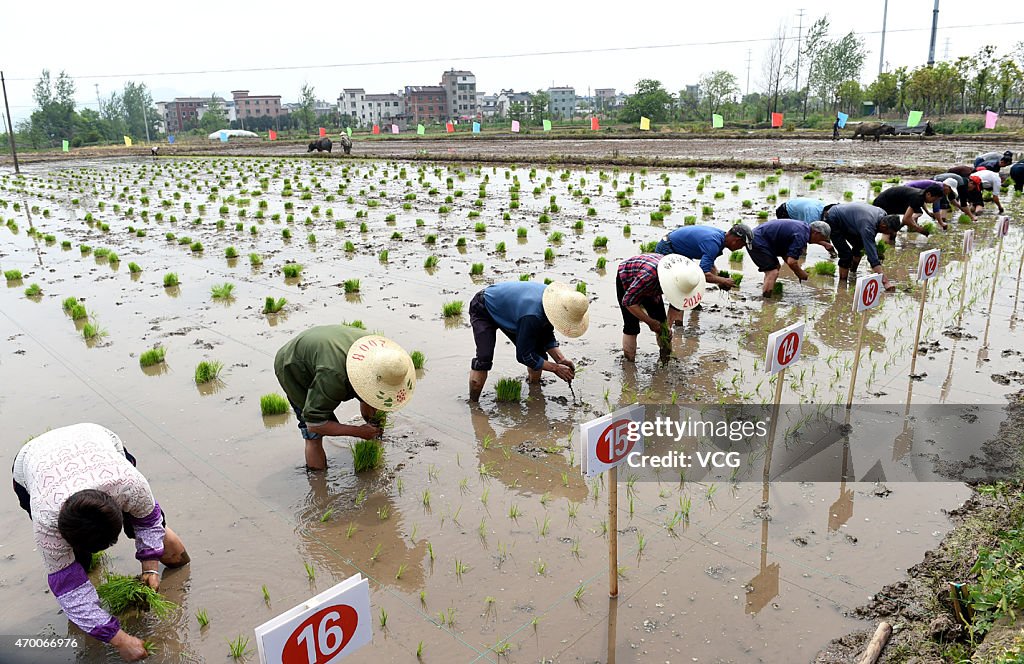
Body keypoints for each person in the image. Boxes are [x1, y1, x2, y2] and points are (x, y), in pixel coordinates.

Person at [12, 423, 190, 662]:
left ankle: (175, 562)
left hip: (93, 439)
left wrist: (150, 567)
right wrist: (120, 640)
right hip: (32, 460)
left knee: (156, 530)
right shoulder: (47, 523)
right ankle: (84, 568)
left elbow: (148, 522)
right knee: (77, 567)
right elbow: (69, 590)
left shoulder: (130, 484)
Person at [274, 325, 416, 470]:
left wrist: (374, 428)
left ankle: (374, 435)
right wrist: (358, 431)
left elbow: (372, 397)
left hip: (325, 350)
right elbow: (315, 423)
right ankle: (318, 483)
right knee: (313, 435)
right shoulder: (334, 377)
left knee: (372, 397)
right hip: (293, 364)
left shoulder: (384, 358)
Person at [468, 280, 589, 401]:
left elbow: (546, 333)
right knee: (484, 359)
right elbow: (524, 355)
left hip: (514, 312)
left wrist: (560, 359)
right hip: (483, 307)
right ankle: (473, 405)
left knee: (538, 354)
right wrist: (556, 368)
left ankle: (534, 392)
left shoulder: (553, 303)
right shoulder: (533, 315)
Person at [616, 253, 706, 361]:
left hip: (653, 284)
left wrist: (666, 327)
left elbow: (676, 305)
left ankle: (665, 357)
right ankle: (629, 363)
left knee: (662, 324)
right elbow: (628, 302)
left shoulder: (684, 278)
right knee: (631, 326)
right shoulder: (648, 277)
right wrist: (650, 322)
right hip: (627, 278)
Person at [824, 203, 902, 291]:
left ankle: (852, 273)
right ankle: (842, 285)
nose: (888, 235)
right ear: (884, 226)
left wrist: (876, 252)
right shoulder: (868, 225)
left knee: (859, 247)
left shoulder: (883, 215)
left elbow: (868, 243)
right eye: (889, 232)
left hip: (851, 221)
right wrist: (885, 282)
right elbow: (871, 256)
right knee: (846, 255)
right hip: (833, 219)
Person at [653, 223, 753, 290]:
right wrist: (723, 280)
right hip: (668, 248)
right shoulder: (713, 243)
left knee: (686, 283)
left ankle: (690, 307)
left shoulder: (720, 238)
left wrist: (719, 280)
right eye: (742, 245)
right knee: (668, 285)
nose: (741, 248)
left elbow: (709, 265)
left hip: (682, 252)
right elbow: (704, 274)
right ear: (737, 240)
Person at [747, 219, 831, 298]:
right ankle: (766, 302)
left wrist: (796, 269)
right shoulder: (801, 236)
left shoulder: (803, 229)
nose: (818, 242)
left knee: (775, 267)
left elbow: (786, 256)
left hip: (760, 238)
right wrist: (800, 273)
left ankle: (768, 290)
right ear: (816, 233)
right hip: (757, 240)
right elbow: (791, 262)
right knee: (772, 272)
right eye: (821, 239)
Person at [871, 184, 942, 235]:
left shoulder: (921, 194)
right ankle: (887, 244)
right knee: (887, 228)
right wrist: (919, 229)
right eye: (934, 199)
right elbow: (906, 219)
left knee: (892, 227)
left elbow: (921, 203)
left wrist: (928, 213)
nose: (934, 202)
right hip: (883, 204)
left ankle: (891, 242)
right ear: (929, 194)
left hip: (893, 203)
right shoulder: (917, 197)